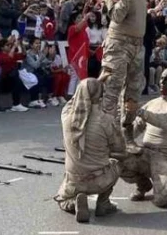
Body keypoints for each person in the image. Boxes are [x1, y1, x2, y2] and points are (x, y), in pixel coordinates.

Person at [55, 78, 127, 223]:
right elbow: (120, 149)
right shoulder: (107, 121)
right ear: (100, 96)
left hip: (74, 181)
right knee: (118, 162)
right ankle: (103, 202)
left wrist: (87, 87)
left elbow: (73, 102)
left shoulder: (66, 117)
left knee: (62, 199)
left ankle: (74, 203)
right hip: (99, 179)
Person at [119, 67, 167, 208]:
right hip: (145, 153)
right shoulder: (152, 104)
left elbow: (165, 122)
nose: (163, 82)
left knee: (163, 199)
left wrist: (139, 110)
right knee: (118, 160)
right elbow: (135, 130)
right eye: (162, 78)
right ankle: (143, 185)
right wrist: (126, 119)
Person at [101, 0, 147, 140]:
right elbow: (116, 16)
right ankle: (104, 136)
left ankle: (126, 136)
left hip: (137, 46)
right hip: (119, 44)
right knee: (112, 91)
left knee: (133, 93)